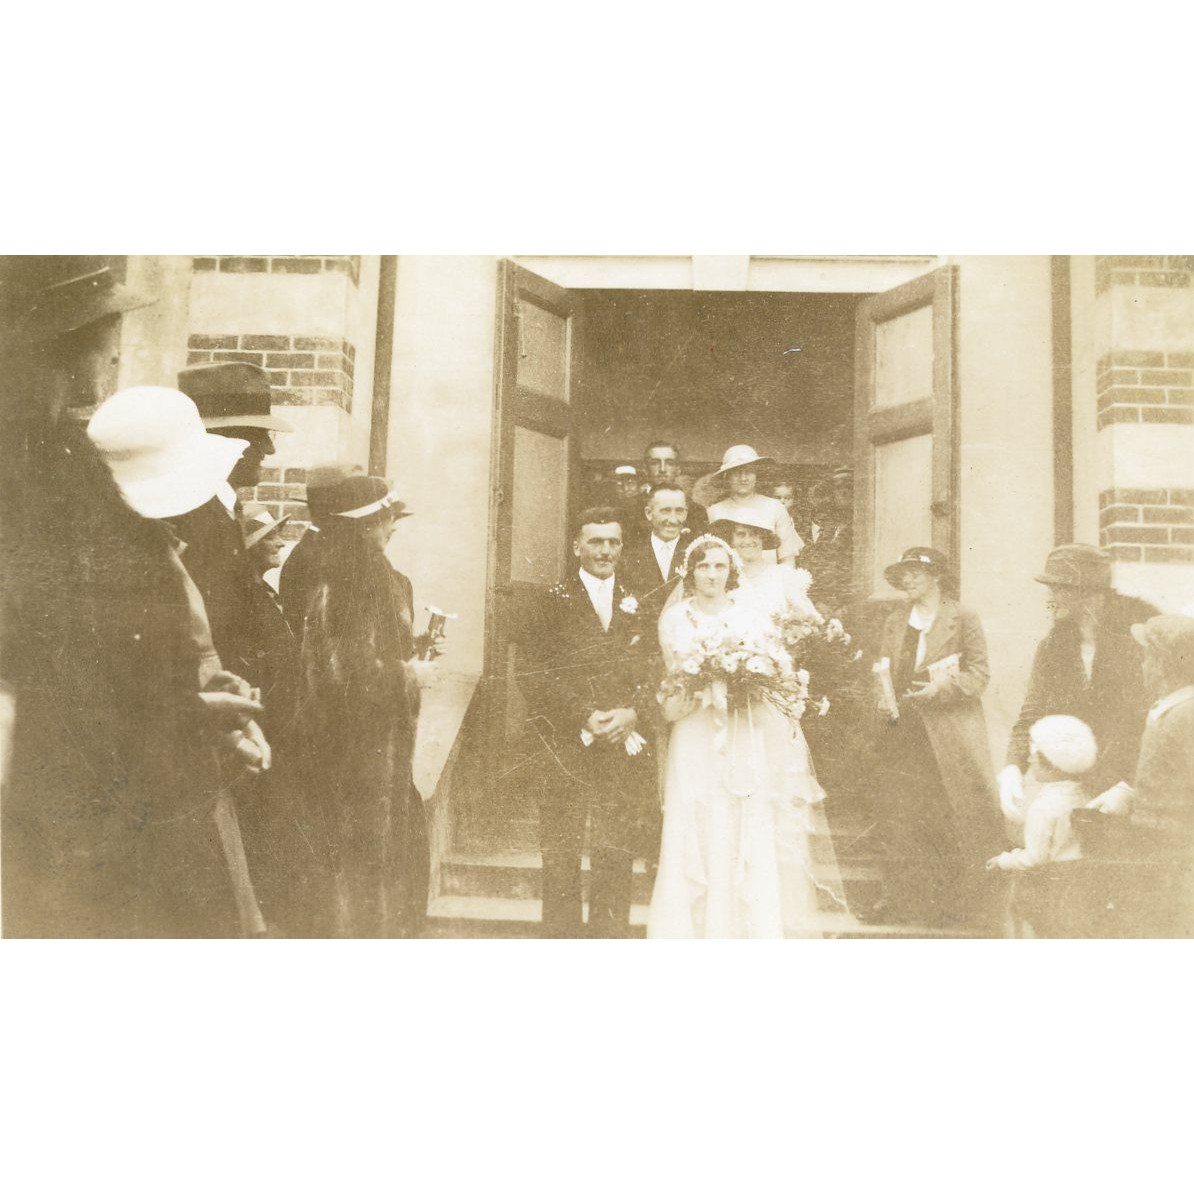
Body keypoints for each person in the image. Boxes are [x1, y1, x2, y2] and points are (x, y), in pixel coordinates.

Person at [1, 259, 265, 937]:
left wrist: (190, 702)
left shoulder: (61, 463)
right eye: (102, 339)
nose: (109, 359)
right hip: (71, 817)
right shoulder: (47, 475)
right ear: (64, 347)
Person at [648, 534, 831, 938]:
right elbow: (675, 675)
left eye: (719, 566)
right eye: (703, 566)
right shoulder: (677, 618)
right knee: (696, 817)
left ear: (730, 571)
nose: (711, 575)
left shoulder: (749, 614)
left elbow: (770, 667)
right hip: (695, 729)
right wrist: (707, 677)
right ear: (689, 572)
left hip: (741, 731)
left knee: (742, 819)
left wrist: (743, 678)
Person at [292, 473, 433, 937]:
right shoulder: (352, 583)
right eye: (386, 519)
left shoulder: (362, 575)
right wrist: (410, 675)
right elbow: (350, 679)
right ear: (366, 525)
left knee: (368, 876)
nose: (393, 527)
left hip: (368, 761)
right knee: (356, 882)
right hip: (354, 762)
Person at [524, 507, 656, 937]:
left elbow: (656, 666)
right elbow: (534, 675)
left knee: (615, 848)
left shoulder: (640, 601)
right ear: (576, 546)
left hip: (624, 738)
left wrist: (633, 711)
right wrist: (582, 714)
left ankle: (608, 940)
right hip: (566, 742)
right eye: (595, 541)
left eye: (613, 541)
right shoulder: (551, 600)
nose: (605, 550)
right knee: (561, 849)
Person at [867, 547, 1005, 931]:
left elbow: (979, 674)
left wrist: (941, 690)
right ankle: (901, 902)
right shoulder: (896, 620)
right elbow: (883, 669)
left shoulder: (962, 617)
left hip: (946, 735)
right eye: (904, 575)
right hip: (902, 732)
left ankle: (952, 905)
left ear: (935, 577)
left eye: (915, 573)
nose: (907, 581)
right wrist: (882, 694)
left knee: (946, 818)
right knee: (902, 818)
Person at [999, 544, 1158, 823]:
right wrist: (1013, 765)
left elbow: (1159, 720)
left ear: (1088, 592)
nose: (1051, 598)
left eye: (1060, 588)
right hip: (1082, 788)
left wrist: (1130, 785)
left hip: (1141, 785)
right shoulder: (1052, 647)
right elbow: (1032, 713)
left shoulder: (1143, 637)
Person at [171, 362, 294, 683]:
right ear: (217, 439)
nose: (270, 448)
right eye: (256, 436)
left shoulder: (224, 509)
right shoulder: (189, 514)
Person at [1085, 614, 1194, 936]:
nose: (1142, 665)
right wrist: (1129, 793)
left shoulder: (1186, 715)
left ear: (1164, 665)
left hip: (1173, 850)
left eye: (1147, 657)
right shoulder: (1168, 708)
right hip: (1153, 841)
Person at [987, 715, 1098, 937]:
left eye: (1035, 755)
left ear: (1053, 765)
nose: (1029, 760)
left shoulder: (1044, 806)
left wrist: (1004, 861)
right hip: (1080, 880)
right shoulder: (1082, 795)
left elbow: (1036, 857)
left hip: (1052, 884)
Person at [693, 444, 803, 567]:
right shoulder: (714, 512)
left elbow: (787, 559)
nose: (743, 478)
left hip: (768, 582)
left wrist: (779, 585)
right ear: (727, 476)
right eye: (737, 473)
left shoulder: (775, 507)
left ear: (756, 474)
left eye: (749, 472)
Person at [620, 482, 693, 624]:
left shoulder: (696, 553)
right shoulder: (629, 556)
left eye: (679, 511)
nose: (673, 520)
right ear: (649, 513)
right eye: (665, 511)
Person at [801, 466, 855, 619]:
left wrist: (847, 606)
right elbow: (811, 566)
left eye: (849, 487)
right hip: (822, 606)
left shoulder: (863, 525)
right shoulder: (825, 526)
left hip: (849, 606)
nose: (844, 492)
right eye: (838, 488)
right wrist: (817, 601)